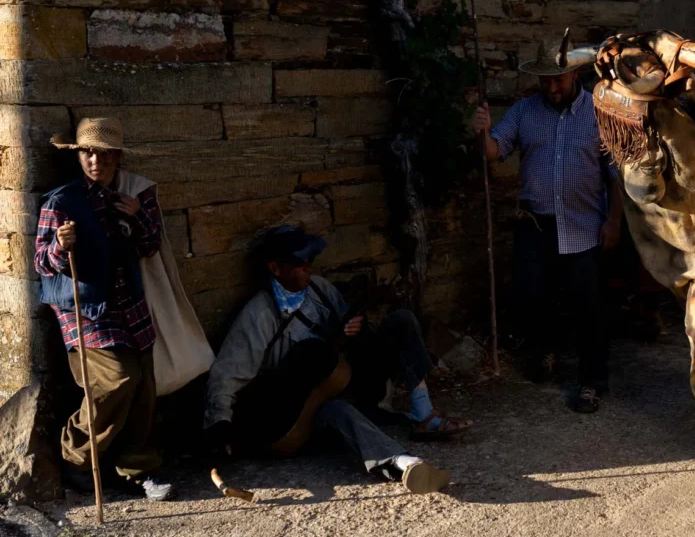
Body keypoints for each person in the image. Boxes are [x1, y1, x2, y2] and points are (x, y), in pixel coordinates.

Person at [203, 226, 468, 494]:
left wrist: (357, 331)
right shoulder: (260, 313)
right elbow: (228, 373)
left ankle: (424, 415)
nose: (308, 268)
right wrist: (219, 425)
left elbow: (351, 339)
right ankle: (403, 462)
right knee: (340, 412)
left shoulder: (319, 289)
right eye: (299, 263)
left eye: (310, 261)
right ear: (275, 268)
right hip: (298, 411)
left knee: (402, 321)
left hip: (345, 380)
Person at [472, 38, 622, 414]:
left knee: (589, 308)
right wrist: (482, 131)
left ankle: (591, 382)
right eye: (545, 80)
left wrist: (614, 221)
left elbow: (617, 176)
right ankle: (544, 353)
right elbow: (494, 152)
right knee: (532, 298)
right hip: (535, 226)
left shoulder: (600, 113)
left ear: (574, 74)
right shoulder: (524, 111)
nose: (552, 88)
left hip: (585, 226)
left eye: (558, 80)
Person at [34, 118, 177, 501]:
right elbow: (41, 264)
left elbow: (149, 247)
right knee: (117, 378)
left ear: (116, 157)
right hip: (84, 308)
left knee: (145, 384)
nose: (95, 161)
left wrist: (137, 217)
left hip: (128, 301)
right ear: (78, 155)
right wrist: (60, 248)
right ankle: (77, 457)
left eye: (104, 154)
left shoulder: (131, 195)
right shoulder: (61, 201)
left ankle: (138, 468)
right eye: (87, 153)